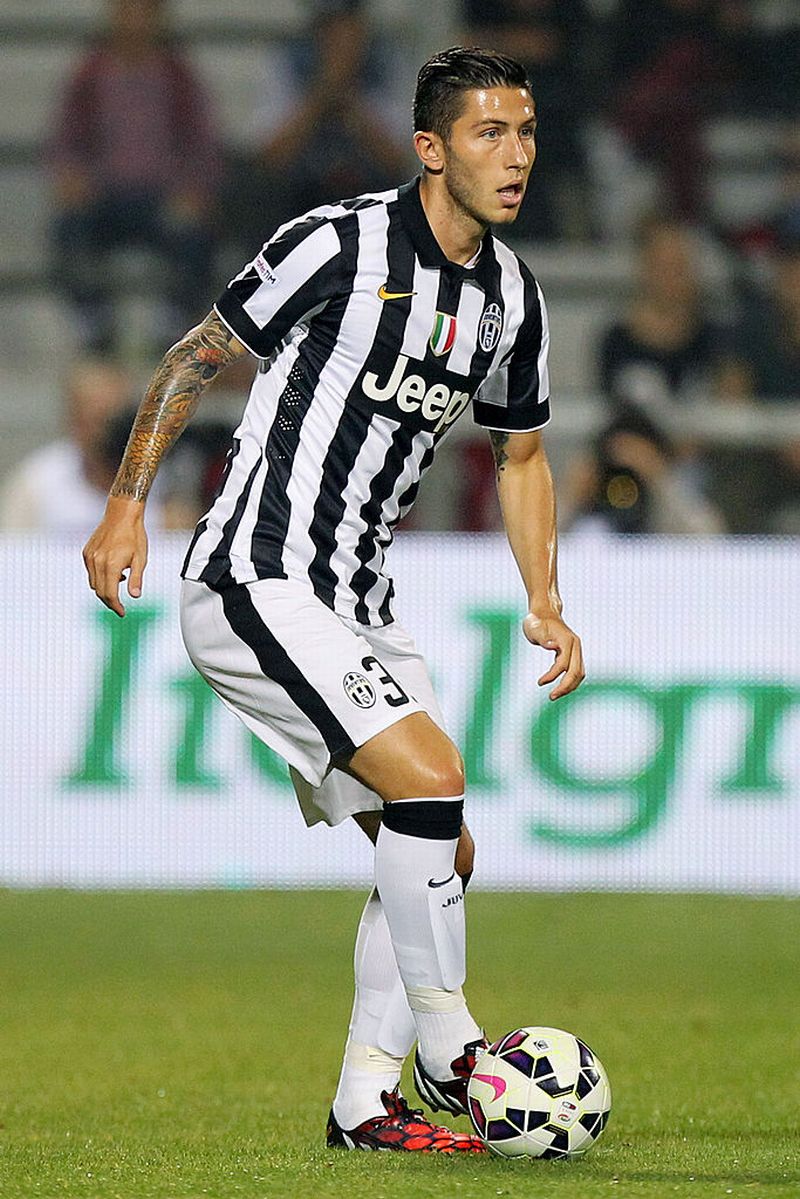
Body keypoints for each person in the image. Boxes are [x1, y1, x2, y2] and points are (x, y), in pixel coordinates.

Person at [82, 47, 585, 1153]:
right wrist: (126, 503)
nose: (515, 156)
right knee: (431, 778)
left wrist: (544, 597)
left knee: (440, 848)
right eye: (490, 133)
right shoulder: (337, 243)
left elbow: (522, 453)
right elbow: (194, 357)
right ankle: (453, 1047)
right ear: (430, 149)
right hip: (255, 575)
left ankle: (363, 1101)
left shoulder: (511, 296)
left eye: (526, 133)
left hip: (359, 598)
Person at [48, 0, 221, 354]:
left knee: (198, 231)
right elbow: (66, 141)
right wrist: (71, 176)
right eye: (129, 10)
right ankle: (94, 324)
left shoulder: (178, 76)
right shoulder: (90, 74)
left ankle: (173, 323)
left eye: (145, 11)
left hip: (163, 198)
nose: (136, 22)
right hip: (104, 196)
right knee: (68, 229)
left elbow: (203, 145)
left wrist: (194, 189)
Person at [0, 358, 187, 535]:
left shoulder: (165, 484)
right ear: (75, 421)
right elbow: (15, 549)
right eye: (98, 420)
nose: (112, 434)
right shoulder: (36, 485)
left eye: (118, 420)